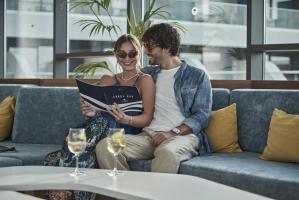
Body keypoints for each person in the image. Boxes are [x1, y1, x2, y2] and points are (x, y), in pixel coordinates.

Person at [44, 34, 155, 200]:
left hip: (125, 132)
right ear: (116, 55)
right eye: (122, 54)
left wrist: (127, 119)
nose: (127, 58)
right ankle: (74, 190)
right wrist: (90, 111)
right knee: (94, 133)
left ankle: (64, 182)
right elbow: (94, 110)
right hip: (100, 129)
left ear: (139, 54)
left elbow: (147, 117)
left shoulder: (145, 80)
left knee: (79, 138)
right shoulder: (108, 79)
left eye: (132, 54)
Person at [96, 23, 212, 174]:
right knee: (106, 145)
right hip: (149, 136)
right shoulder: (148, 74)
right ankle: (126, 194)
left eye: (150, 47)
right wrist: (94, 99)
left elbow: (202, 115)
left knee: (167, 152)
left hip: (182, 137)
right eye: (144, 47)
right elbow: (121, 81)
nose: (145, 51)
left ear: (167, 47)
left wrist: (172, 132)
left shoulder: (197, 76)